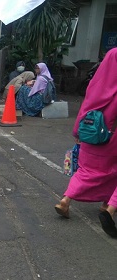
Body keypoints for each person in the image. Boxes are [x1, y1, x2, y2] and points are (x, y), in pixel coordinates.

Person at [54, 48, 117, 238]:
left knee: (87, 171)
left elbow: (85, 108)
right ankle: (110, 208)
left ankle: (66, 200)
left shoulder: (96, 85)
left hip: (89, 136)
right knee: (112, 171)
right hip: (111, 137)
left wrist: (76, 132)